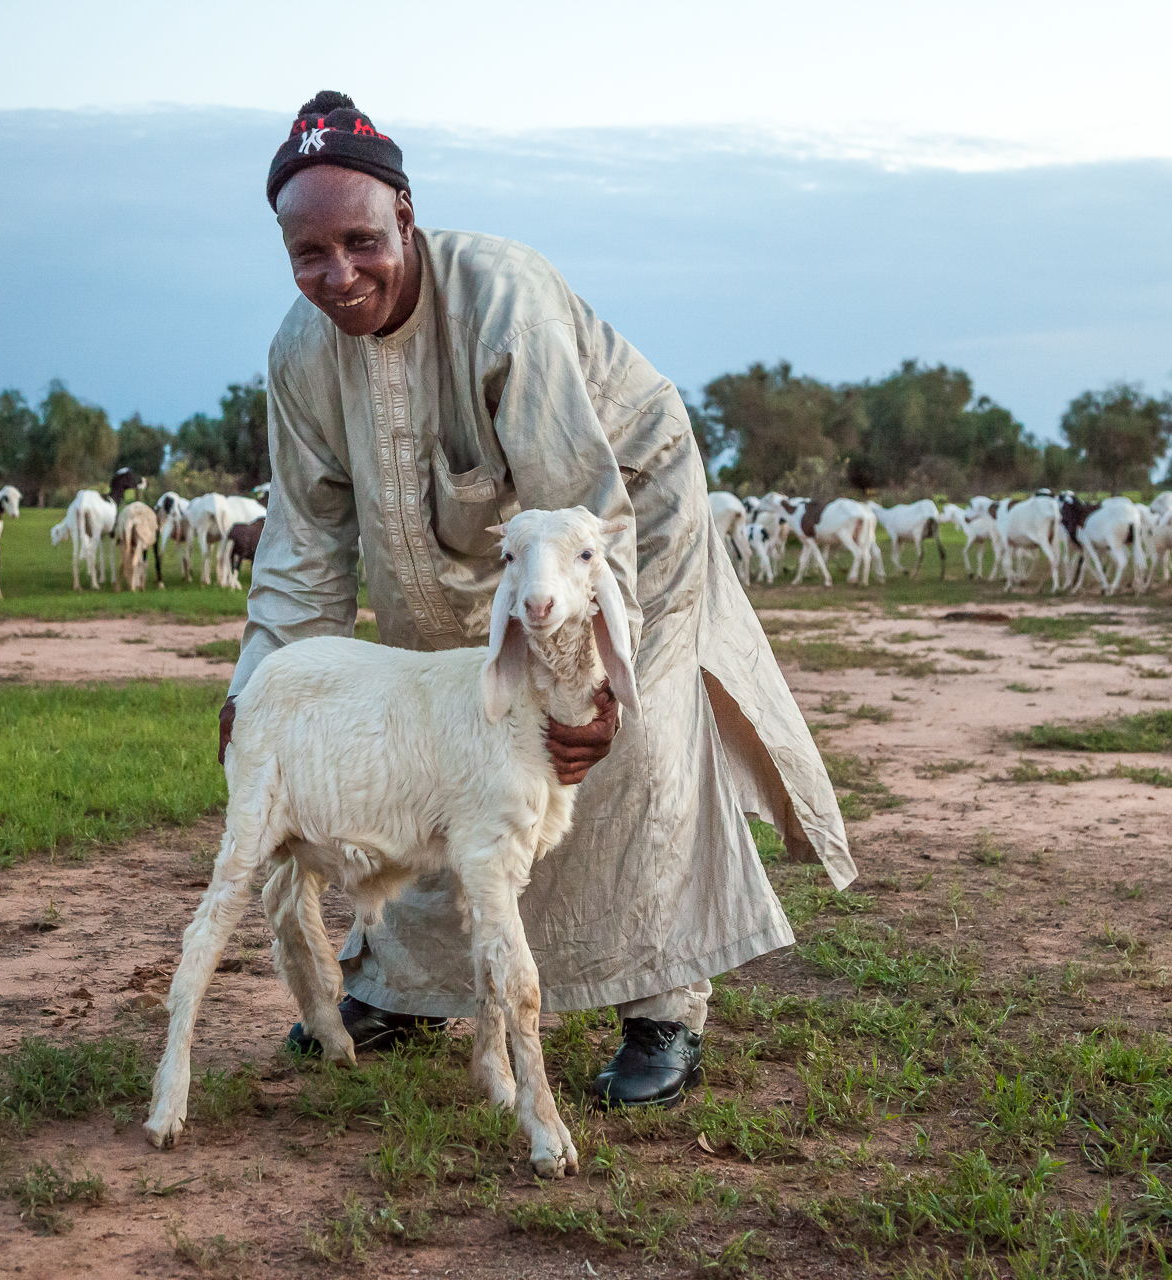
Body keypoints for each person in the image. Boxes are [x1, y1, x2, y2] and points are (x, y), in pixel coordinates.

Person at [221, 91, 855, 1108]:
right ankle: (406, 982)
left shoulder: (501, 298)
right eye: (310, 254)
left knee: (614, 741)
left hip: (619, 518)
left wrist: (597, 678)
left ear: (407, 216)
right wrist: (261, 683)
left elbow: (582, 500)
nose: (339, 274)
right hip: (474, 541)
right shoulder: (301, 355)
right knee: (444, 736)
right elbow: (303, 541)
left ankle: (662, 1008)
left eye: (361, 241)